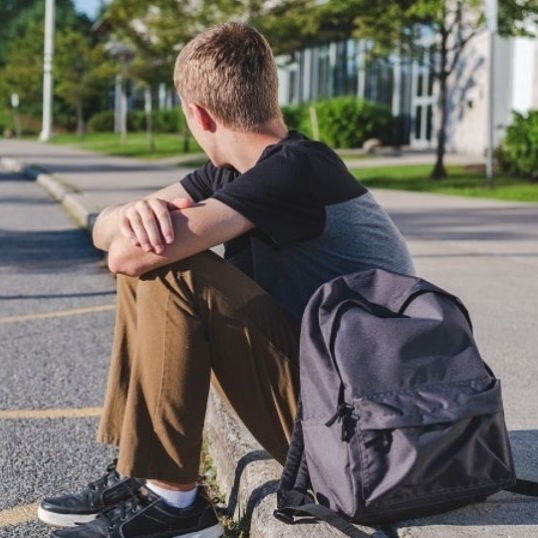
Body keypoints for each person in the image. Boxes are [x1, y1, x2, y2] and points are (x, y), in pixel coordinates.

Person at [37, 21, 415, 538]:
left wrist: (137, 227)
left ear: (198, 114)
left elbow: (130, 255)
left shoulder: (295, 171)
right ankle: (141, 473)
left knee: (171, 269)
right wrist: (130, 210)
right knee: (152, 257)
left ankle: (175, 505)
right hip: (335, 407)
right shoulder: (238, 170)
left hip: (357, 434)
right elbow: (114, 236)